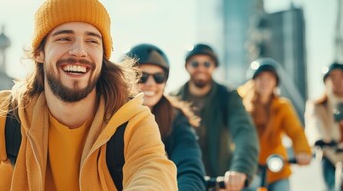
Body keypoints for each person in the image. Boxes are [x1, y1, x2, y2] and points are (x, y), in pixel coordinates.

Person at [0, 0, 178, 190]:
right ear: (40, 52)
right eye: (64, 38)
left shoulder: (132, 123)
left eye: (92, 40)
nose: (79, 51)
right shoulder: (6, 117)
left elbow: (152, 172)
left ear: (103, 56)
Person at [172, 43, 259, 191]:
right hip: (183, 180)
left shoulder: (227, 96)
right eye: (195, 63)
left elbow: (244, 132)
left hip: (222, 180)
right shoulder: (173, 100)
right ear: (187, 67)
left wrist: (240, 168)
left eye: (207, 63)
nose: (201, 68)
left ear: (214, 66)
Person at [125, 43, 206, 190]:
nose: (151, 84)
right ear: (125, 80)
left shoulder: (176, 118)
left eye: (159, 77)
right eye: (141, 77)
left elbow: (189, 165)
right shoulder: (109, 116)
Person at [237, 58, 311, 191]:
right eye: (260, 78)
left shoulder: (282, 106)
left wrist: (302, 151)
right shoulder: (241, 105)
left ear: (276, 83)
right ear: (252, 82)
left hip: (277, 166)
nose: (265, 82)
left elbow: (296, 132)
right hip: (249, 167)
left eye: (269, 78)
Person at [305, 62, 343, 190]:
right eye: (333, 77)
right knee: (332, 187)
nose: (338, 81)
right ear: (326, 81)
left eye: (341, 77)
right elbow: (314, 124)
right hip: (329, 153)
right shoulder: (318, 104)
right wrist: (320, 139)